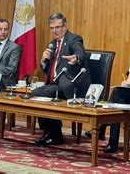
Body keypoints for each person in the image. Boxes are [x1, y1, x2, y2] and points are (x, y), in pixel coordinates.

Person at [32, 13, 91, 146]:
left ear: (65, 26)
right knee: (36, 94)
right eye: (52, 28)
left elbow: (79, 52)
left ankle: (55, 135)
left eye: (57, 27)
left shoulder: (73, 39)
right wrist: (43, 61)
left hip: (70, 85)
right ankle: (49, 131)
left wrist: (76, 58)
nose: (55, 30)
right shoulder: (52, 44)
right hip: (55, 84)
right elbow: (47, 70)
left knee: (45, 93)